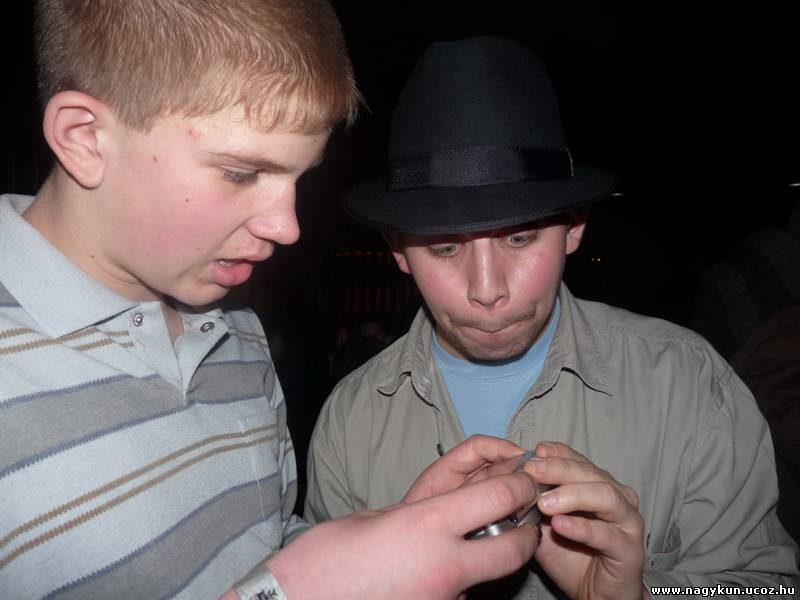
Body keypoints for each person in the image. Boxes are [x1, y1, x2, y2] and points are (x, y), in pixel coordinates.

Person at [0, 6, 544, 599]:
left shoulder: (238, 333)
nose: (288, 227)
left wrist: (388, 546)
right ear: (84, 138)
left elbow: (270, 546)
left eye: (298, 180)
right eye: (240, 173)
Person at [305, 36, 800, 599]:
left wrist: (641, 595)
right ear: (398, 251)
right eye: (444, 247)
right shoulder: (350, 422)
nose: (487, 290)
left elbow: (767, 588)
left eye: (520, 238)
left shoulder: (689, 385)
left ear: (574, 228)